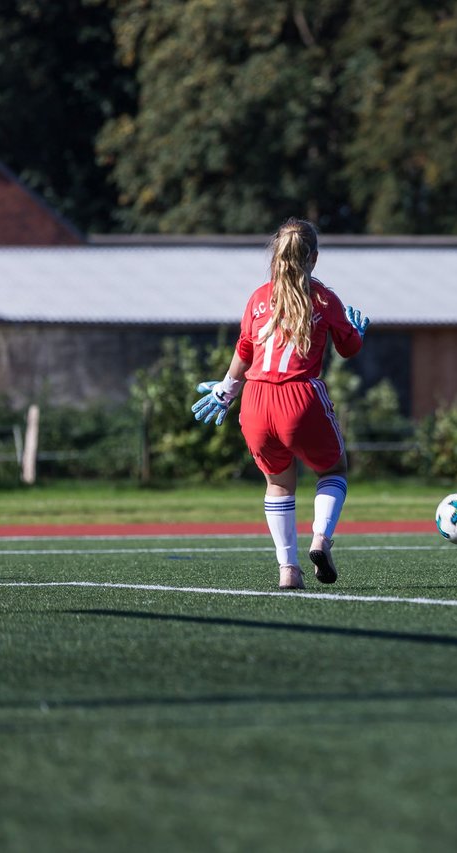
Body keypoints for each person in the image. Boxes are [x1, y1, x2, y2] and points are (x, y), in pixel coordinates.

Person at [191, 217, 369, 590]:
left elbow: (244, 350)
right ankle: (320, 540)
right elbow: (348, 348)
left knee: (279, 484)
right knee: (333, 470)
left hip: (254, 401)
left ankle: (288, 569)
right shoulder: (323, 298)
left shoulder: (259, 297)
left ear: (276, 256)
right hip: (299, 396)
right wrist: (357, 332)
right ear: (314, 258)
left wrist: (226, 389)